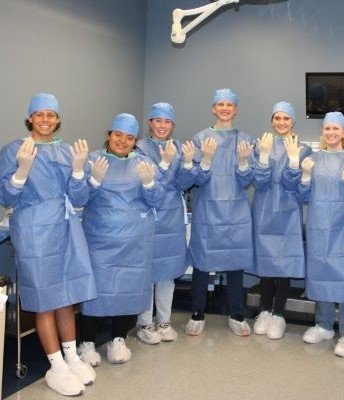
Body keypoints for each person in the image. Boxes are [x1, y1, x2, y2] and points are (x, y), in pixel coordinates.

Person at [0, 93, 96, 396]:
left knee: (65, 295)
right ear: (30, 118)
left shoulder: (67, 151)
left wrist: (79, 171)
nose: (45, 120)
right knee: (44, 299)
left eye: (50, 115)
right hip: (32, 230)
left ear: (58, 119)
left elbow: (80, 199)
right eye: (39, 114)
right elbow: (5, 198)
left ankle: (71, 357)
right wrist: (21, 172)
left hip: (65, 227)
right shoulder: (15, 150)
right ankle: (55, 366)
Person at [78, 113, 165, 366]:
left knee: (128, 290)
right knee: (96, 292)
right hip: (99, 239)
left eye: (129, 137)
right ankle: (87, 343)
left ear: (134, 140)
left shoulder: (144, 164)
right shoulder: (93, 160)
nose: (123, 141)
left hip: (134, 241)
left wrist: (150, 184)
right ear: (109, 135)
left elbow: (157, 200)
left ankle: (118, 338)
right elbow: (78, 197)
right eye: (118, 135)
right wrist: (92, 180)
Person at [181, 88, 255, 337]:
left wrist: (244, 163)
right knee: (202, 261)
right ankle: (197, 313)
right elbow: (197, 179)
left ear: (236, 110)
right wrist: (205, 161)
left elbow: (247, 181)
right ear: (213, 108)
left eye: (229, 105)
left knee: (235, 263)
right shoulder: (201, 138)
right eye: (220, 104)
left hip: (235, 210)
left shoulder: (245, 140)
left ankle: (236, 314)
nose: (224, 108)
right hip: (208, 208)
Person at [299, 111, 344, 357]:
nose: (331, 133)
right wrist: (306, 177)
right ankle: (324, 325)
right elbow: (302, 196)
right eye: (327, 129)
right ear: (322, 132)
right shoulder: (313, 158)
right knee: (321, 274)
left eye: (336, 129)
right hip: (319, 225)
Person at [248, 101, 312, 339]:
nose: (281, 123)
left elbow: (292, 184)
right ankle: (264, 310)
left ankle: (278, 314)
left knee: (283, 262)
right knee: (266, 261)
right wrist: (263, 157)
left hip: (288, 211)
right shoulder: (260, 145)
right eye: (277, 118)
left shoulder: (303, 149)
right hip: (264, 208)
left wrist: (294, 161)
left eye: (286, 119)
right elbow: (260, 182)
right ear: (272, 121)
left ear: (293, 122)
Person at [134, 103, 196, 344]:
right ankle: (145, 323)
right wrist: (163, 164)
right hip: (149, 214)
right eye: (157, 120)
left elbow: (183, 183)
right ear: (150, 123)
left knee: (168, 272)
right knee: (148, 271)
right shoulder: (139, 149)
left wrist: (189, 163)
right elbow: (146, 183)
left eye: (167, 121)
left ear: (172, 125)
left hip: (171, 215)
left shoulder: (179, 148)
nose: (162, 126)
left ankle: (164, 321)